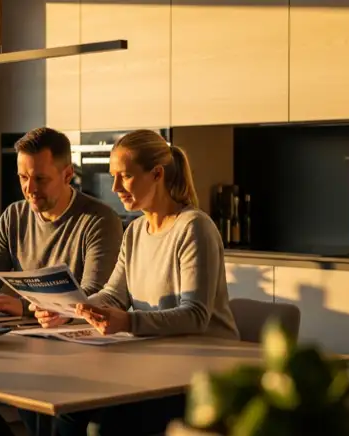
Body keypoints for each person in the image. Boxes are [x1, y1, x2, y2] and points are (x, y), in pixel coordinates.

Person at [32, 128, 240, 436]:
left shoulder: (194, 228)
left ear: (157, 174)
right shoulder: (136, 231)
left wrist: (128, 321)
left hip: (200, 376)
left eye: (125, 176)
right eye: (113, 176)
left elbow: (195, 316)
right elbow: (114, 296)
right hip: (156, 368)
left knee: (109, 427)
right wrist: (68, 308)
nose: (115, 187)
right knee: (66, 412)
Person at [0, 126, 125, 436]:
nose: (30, 188)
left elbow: (94, 294)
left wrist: (23, 306)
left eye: (40, 179)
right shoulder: (14, 216)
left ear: (67, 175)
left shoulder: (99, 220)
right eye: (23, 178)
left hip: (79, 351)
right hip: (28, 345)